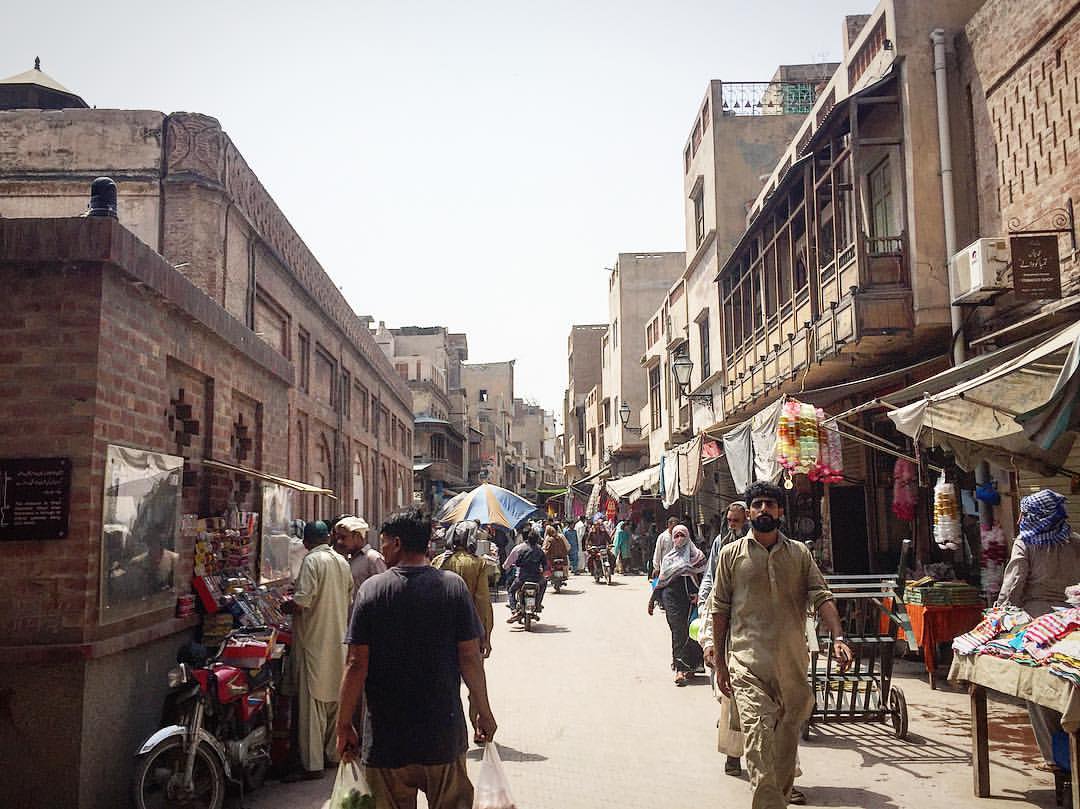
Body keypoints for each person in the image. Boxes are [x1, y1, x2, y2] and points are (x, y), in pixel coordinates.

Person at [336, 510, 496, 809]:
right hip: (442, 735)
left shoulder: (372, 591)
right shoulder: (453, 587)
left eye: (383, 543)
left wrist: (344, 724)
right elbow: (470, 658)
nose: (381, 550)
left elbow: (356, 664)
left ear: (397, 543)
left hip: (387, 740)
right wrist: (484, 712)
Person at [709, 481, 852, 809]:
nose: (763, 510)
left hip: (791, 669)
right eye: (757, 504)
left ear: (780, 511)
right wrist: (720, 662)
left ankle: (779, 801)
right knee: (758, 746)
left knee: (785, 756)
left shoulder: (800, 554)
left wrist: (839, 636)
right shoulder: (731, 556)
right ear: (748, 513)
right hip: (747, 666)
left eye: (769, 505)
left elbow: (821, 596)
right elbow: (719, 609)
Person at [995, 489, 1080, 772]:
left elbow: (1014, 582)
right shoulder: (1075, 541)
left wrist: (999, 617)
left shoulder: (1025, 543)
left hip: (1038, 624)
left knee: (1038, 691)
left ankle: (1053, 758)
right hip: (1074, 620)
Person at [283, 520, 353, 781]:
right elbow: (348, 596)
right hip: (337, 641)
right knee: (334, 701)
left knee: (311, 706)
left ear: (306, 542)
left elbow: (302, 602)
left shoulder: (312, 562)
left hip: (313, 641)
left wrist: (285, 606)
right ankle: (332, 755)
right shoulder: (341, 562)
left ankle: (311, 765)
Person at [699, 501, 749, 776]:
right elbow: (712, 578)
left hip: (761, 629)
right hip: (729, 625)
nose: (732, 524)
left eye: (737, 520)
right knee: (730, 696)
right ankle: (733, 756)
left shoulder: (770, 547)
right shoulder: (722, 544)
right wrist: (704, 607)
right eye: (729, 520)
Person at [647, 524, 707, 685]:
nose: (679, 538)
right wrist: (652, 601)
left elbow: (706, 578)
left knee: (693, 630)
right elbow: (662, 581)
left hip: (692, 599)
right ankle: (680, 669)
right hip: (672, 598)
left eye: (682, 535)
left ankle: (693, 665)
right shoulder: (668, 559)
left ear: (688, 536)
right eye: (676, 535)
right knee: (678, 630)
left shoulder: (698, 556)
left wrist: (701, 595)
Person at [434, 521, 494, 658]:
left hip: (442, 630)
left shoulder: (438, 561)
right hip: (470, 630)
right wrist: (486, 636)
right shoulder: (478, 563)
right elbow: (482, 602)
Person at [334, 516, 387, 611]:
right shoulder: (346, 559)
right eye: (338, 538)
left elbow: (383, 593)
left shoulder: (373, 558)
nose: (339, 541)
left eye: (343, 537)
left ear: (357, 536)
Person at [507, 527, 548, 622]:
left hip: (522, 578)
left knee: (511, 590)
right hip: (537, 578)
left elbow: (517, 563)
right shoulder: (540, 550)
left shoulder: (522, 549)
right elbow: (545, 565)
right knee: (544, 583)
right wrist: (544, 572)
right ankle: (538, 603)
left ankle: (513, 609)